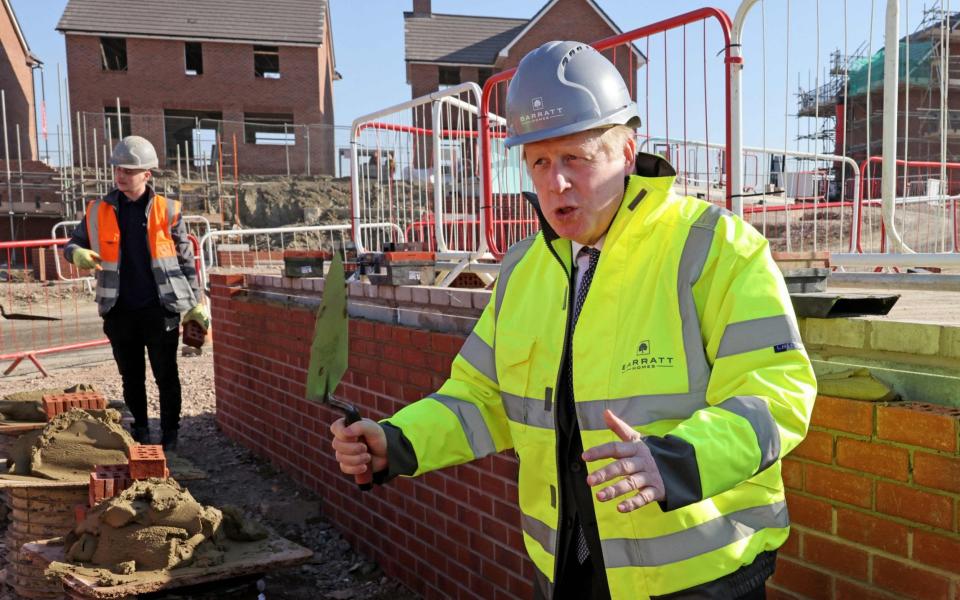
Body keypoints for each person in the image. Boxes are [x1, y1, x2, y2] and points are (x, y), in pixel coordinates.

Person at [331, 41, 816, 600]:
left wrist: (677, 462)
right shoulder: (523, 270)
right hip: (567, 572)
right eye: (539, 161)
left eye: (575, 159)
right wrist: (396, 442)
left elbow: (775, 393)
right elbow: (480, 397)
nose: (555, 183)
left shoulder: (714, 248)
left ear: (627, 152)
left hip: (697, 576)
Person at [65, 135, 208, 452]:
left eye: (129, 169)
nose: (121, 175)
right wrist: (76, 254)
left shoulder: (168, 210)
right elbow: (72, 244)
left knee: (166, 375)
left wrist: (196, 303)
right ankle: (141, 431)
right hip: (119, 310)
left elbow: (186, 260)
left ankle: (170, 434)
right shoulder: (97, 210)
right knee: (132, 377)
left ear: (147, 174)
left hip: (161, 308)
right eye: (118, 168)